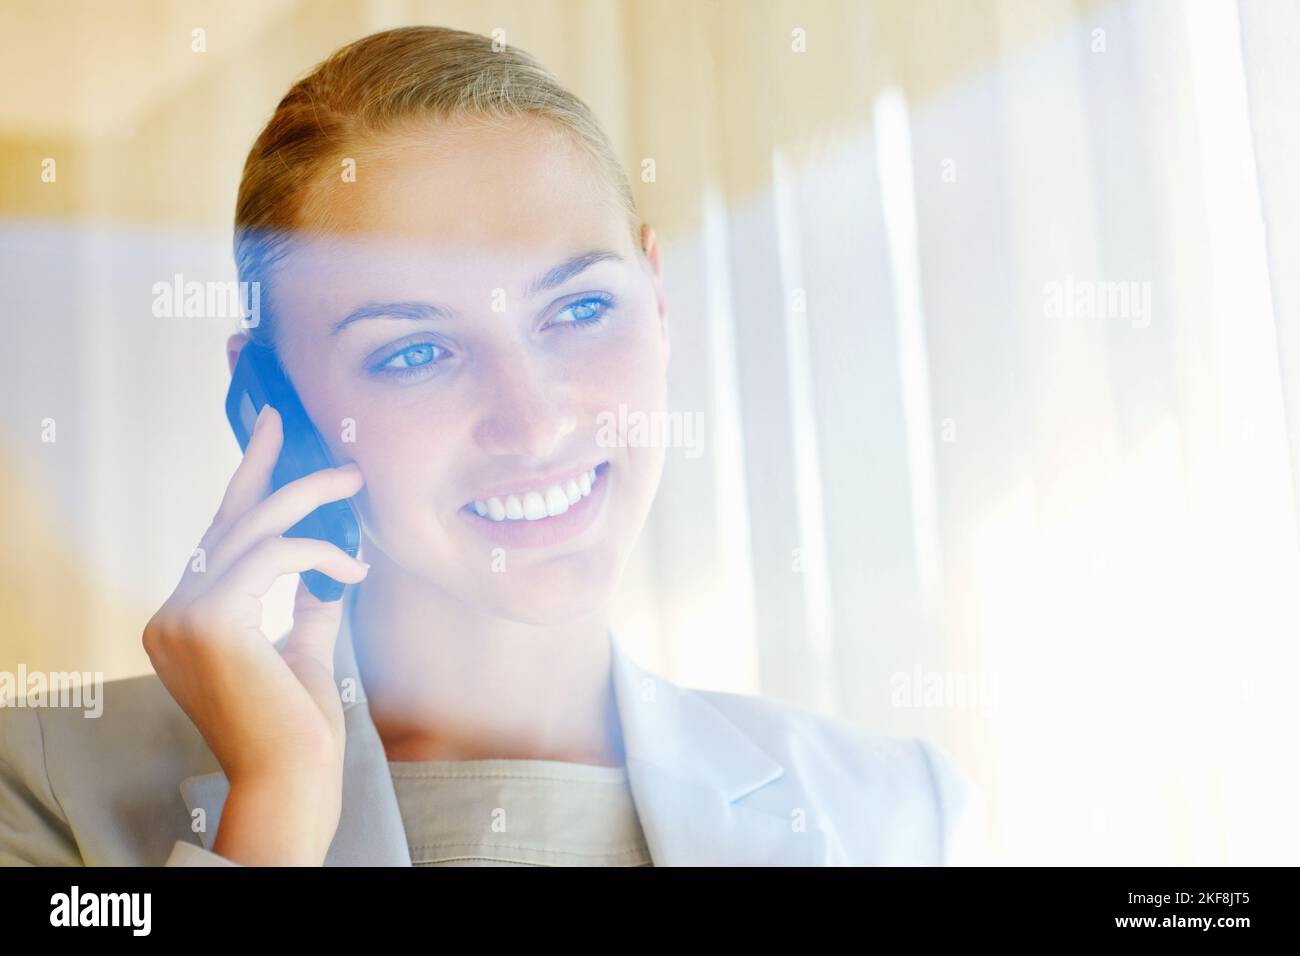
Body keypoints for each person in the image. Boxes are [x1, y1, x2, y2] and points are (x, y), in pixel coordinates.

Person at [0, 25, 981, 867]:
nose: (534, 419)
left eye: (581, 307)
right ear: (269, 396)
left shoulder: (891, 814)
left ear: (658, 297)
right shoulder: (41, 785)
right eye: (415, 349)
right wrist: (271, 813)